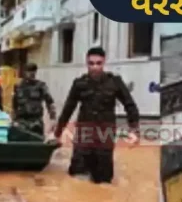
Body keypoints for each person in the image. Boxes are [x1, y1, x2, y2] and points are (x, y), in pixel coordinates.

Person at [54, 47, 140, 184]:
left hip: (105, 136)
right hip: (84, 135)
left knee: (103, 179)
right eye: (91, 63)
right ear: (86, 63)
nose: (95, 67)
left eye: (98, 63)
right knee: (77, 176)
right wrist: (57, 133)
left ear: (104, 62)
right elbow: (68, 109)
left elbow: (130, 105)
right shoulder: (79, 83)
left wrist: (134, 130)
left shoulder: (115, 82)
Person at [13, 63, 56, 136]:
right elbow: (14, 105)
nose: (31, 73)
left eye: (33, 71)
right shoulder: (18, 86)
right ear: (25, 72)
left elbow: (49, 102)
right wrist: (13, 120)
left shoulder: (41, 86)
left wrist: (53, 119)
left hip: (36, 121)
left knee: (37, 140)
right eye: (29, 71)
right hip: (21, 121)